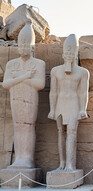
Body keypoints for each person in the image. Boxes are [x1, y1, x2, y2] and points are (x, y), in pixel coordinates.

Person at [2, 20, 45, 168]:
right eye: (21, 45)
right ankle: (18, 159)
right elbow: (6, 84)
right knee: (18, 126)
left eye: (26, 45)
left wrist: (19, 77)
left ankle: (27, 158)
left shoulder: (39, 64)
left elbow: (40, 84)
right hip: (15, 98)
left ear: (31, 47)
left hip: (30, 98)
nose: (23, 48)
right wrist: (25, 76)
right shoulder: (11, 64)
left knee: (28, 126)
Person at [48, 34, 90, 171]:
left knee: (71, 132)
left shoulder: (83, 72)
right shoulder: (55, 71)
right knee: (60, 132)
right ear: (62, 54)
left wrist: (83, 108)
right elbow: (53, 91)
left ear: (75, 54)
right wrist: (52, 109)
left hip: (73, 104)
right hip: (60, 103)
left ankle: (70, 165)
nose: (68, 55)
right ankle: (61, 163)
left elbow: (83, 92)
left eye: (71, 52)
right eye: (66, 52)